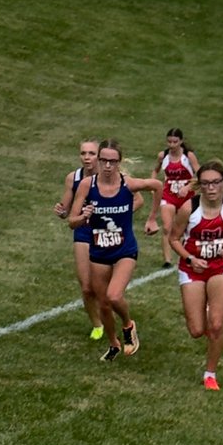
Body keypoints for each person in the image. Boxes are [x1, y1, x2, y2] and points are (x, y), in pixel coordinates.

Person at [67, 139, 162, 362]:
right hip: (99, 252)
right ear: (98, 161)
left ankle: (128, 325)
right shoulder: (87, 185)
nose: (108, 166)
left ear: (120, 162)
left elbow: (157, 186)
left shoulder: (128, 184)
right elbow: (72, 221)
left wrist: (152, 218)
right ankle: (113, 344)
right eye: (104, 161)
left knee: (114, 295)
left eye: (113, 161)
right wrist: (84, 216)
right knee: (104, 305)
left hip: (124, 251)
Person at [168, 161, 223, 389]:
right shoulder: (189, 208)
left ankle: (210, 374)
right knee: (197, 330)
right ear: (200, 185)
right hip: (193, 270)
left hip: (221, 268)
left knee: (216, 325)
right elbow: (173, 239)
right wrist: (190, 258)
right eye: (205, 183)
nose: (211, 188)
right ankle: (206, 312)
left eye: (216, 182)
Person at [53, 139, 105, 341]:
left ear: (99, 156)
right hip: (83, 231)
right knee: (86, 286)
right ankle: (97, 325)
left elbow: (137, 200)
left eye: (91, 153)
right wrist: (61, 211)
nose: (87, 157)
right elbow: (66, 211)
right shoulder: (73, 178)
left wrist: (119, 215)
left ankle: (110, 314)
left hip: (107, 233)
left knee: (104, 286)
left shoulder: (110, 176)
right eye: (83, 153)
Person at [150, 128, 199, 266]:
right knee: (167, 227)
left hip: (186, 197)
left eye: (175, 142)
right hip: (169, 195)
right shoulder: (163, 156)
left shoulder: (189, 156)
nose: (172, 145)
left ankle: (185, 256)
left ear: (181, 141)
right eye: (169, 142)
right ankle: (167, 260)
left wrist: (188, 187)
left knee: (186, 228)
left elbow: (201, 175)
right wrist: (153, 184)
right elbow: (155, 170)